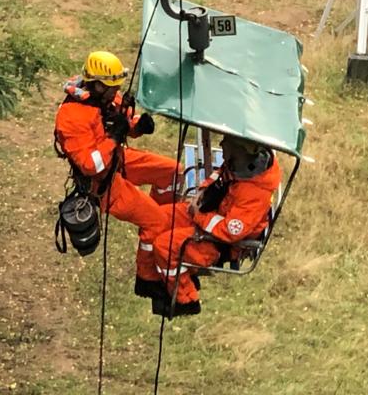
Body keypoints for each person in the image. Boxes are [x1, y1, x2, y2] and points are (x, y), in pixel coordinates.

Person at [53, 51, 182, 272]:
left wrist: (136, 126)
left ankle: (164, 212)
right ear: (98, 85)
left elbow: (119, 121)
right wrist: (114, 138)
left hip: (117, 159)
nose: (117, 92)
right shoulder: (72, 118)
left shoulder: (105, 98)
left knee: (173, 171)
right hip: (103, 184)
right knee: (157, 223)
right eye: (113, 88)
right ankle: (149, 277)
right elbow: (91, 165)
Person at [143, 135, 281, 318]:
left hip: (218, 243)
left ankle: (185, 300)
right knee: (155, 218)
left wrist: (199, 215)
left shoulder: (255, 193)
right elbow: (220, 174)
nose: (222, 144)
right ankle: (149, 280)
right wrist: (202, 190)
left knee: (165, 246)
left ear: (241, 151)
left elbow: (229, 232)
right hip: (207, 214)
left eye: (227, 142)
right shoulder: (241, 166)